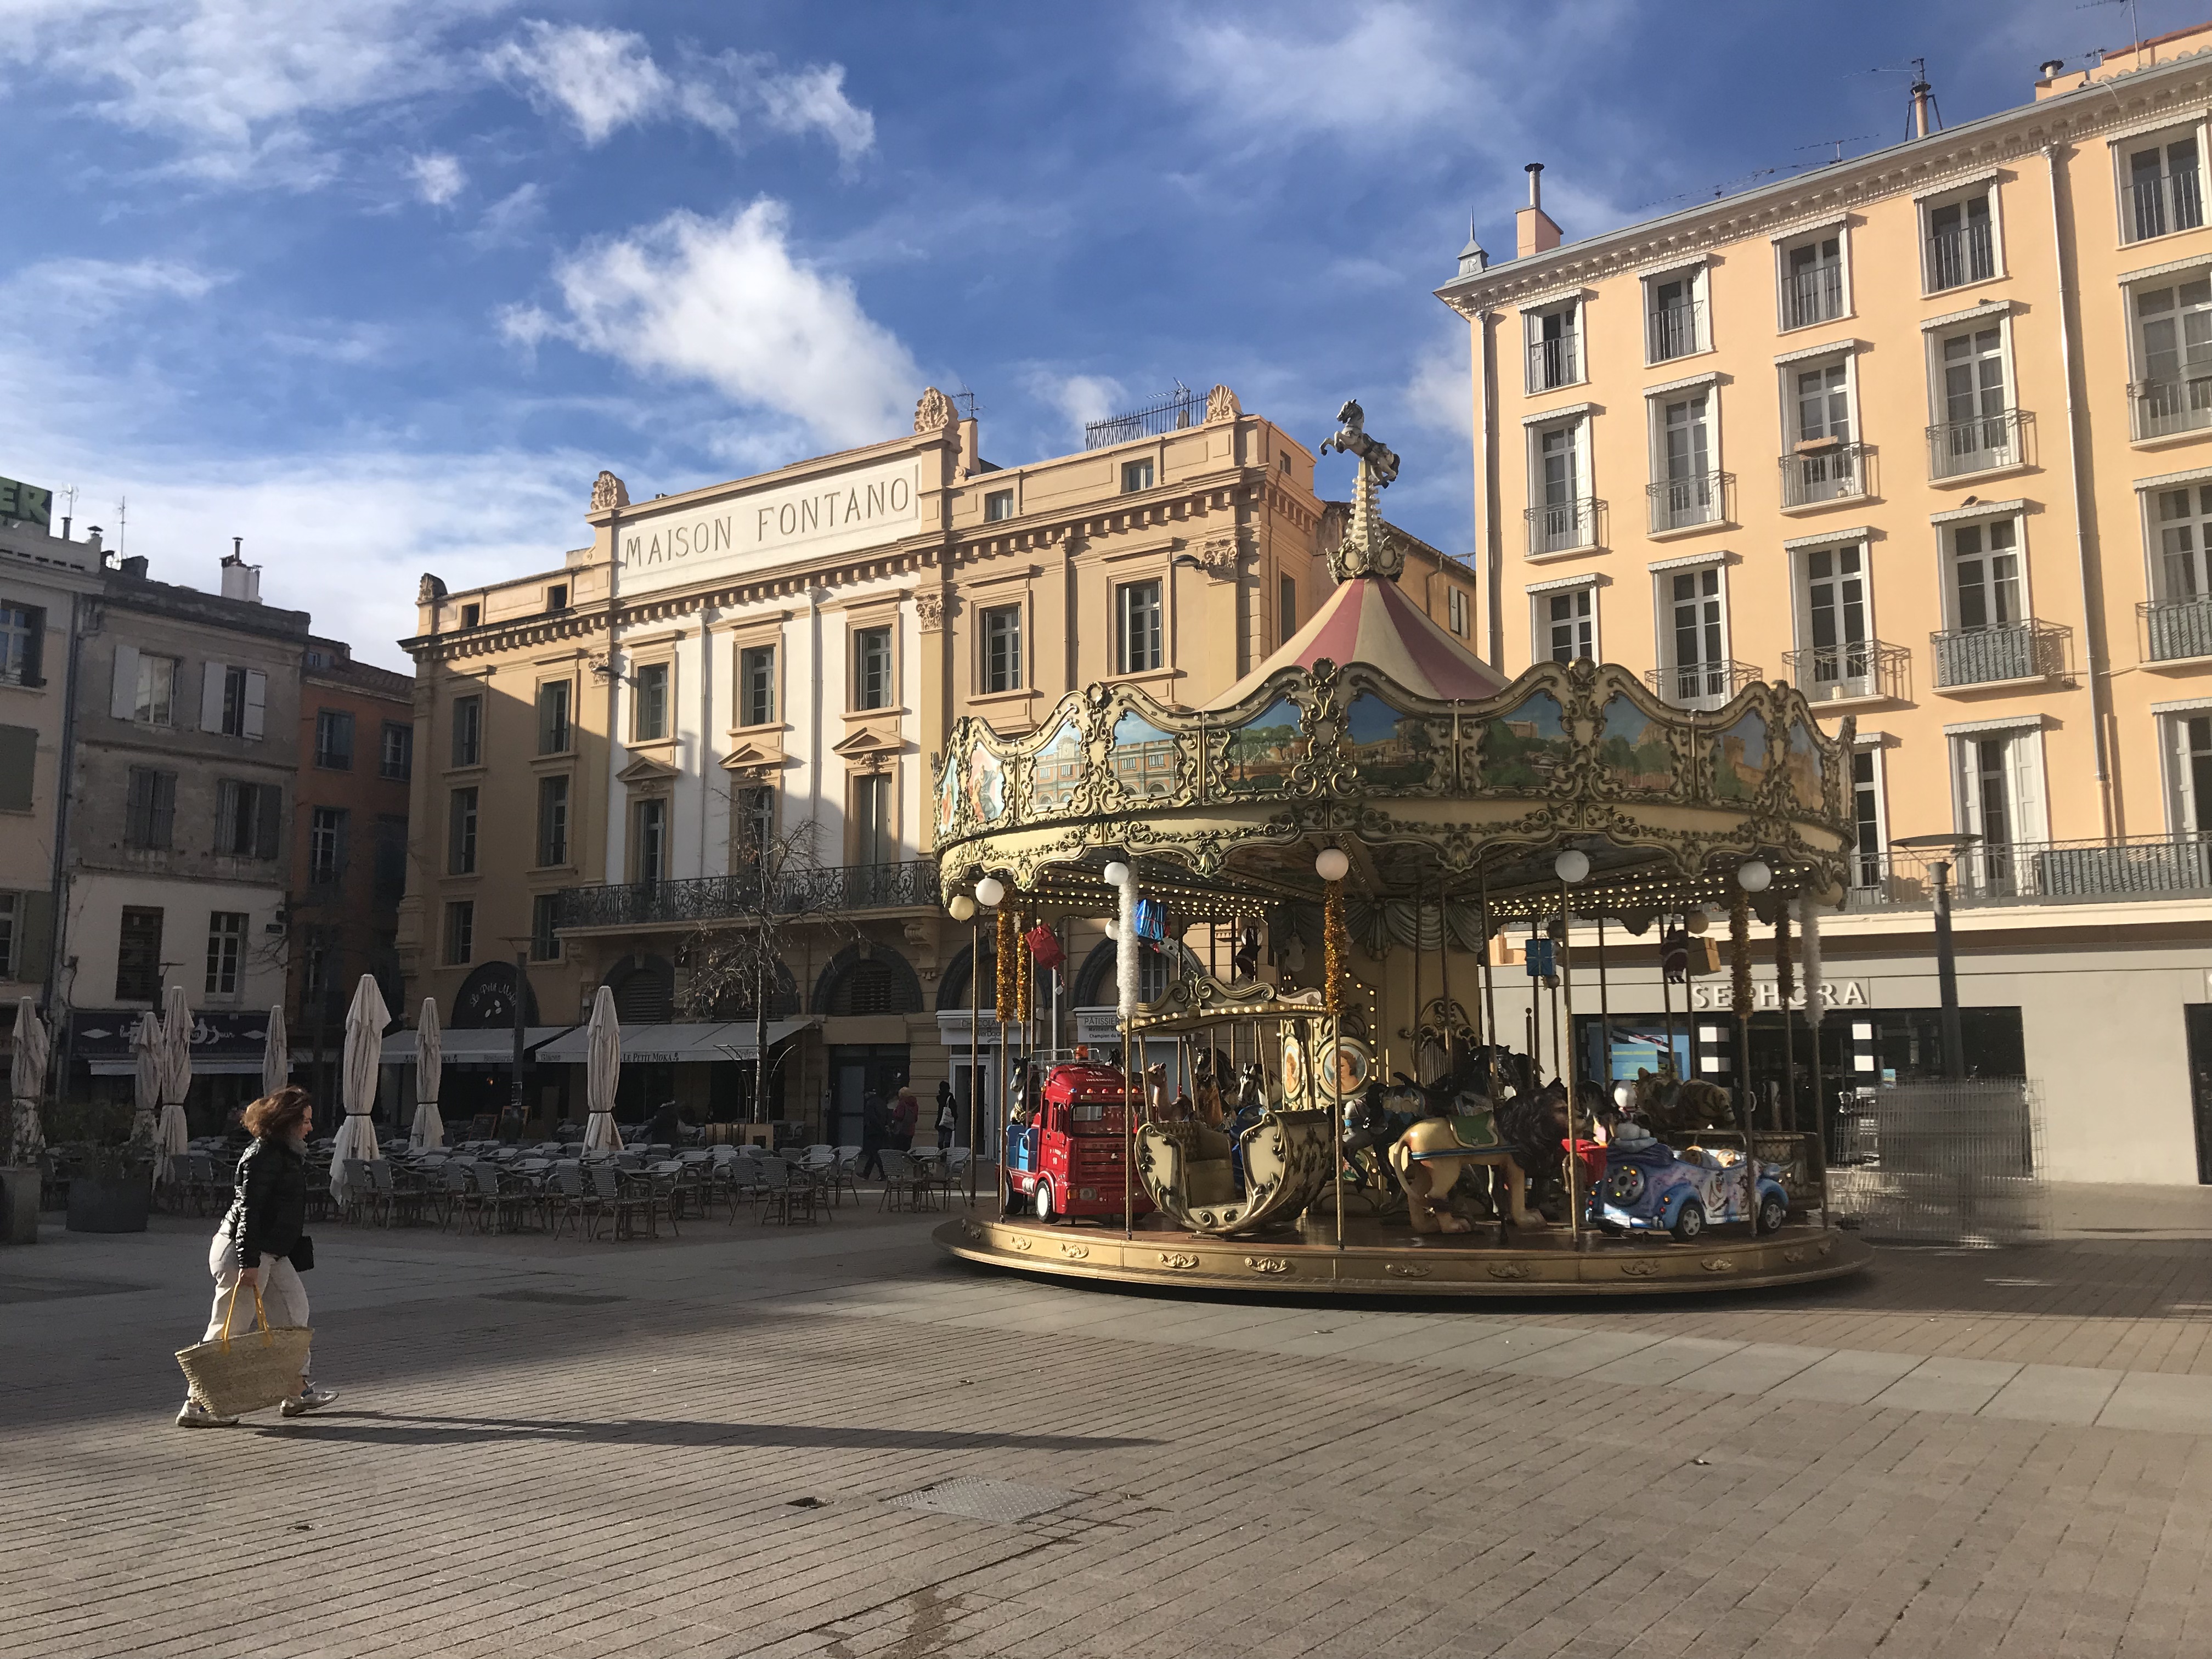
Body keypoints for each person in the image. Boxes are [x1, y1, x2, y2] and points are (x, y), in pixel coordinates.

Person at [177, 1085, 338, 1428]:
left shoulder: (286, 1153)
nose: (311, 1128)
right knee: (229, 1329)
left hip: (271, 1253)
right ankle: (197, 1404)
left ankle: (296, 1390)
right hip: (243, 1251)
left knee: (296, 1313)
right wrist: (248, 1261)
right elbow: (249, 1210)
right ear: (288, 1122)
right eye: (306, 1121)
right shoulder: (262, 1155)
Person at [857, 1087, 888, 1179]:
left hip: (873, 1131)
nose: (864, 1095)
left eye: (866, 1093)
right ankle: (866, 1173)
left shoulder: (870, 1103)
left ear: (869, 1093)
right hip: (880, 1131)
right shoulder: (882, 1102)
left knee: (875, 1154)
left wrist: (870, 1127)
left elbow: (872, 1118)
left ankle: (883, 1174)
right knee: (873, 1153)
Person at [891, 1083, 918, 1152]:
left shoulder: (902, 1103)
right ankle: (906, 1162)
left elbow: (900, 1116)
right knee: (907, 1149)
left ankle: (899, 1162)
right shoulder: (915, 1104)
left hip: (902, 1130)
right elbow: (915, 1118)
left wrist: (894, 1112)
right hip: (911, 1130)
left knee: (899, 1149)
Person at [935, 1080, 957, 1148]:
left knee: (941, 1140)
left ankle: (941, 1155)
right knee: (947, 1140)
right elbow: (954, 1111)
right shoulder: (950, 1098)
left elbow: (940, 1111)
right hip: (948, 1121)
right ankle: (945, 1156)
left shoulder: (940, 1098)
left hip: (941, 1121)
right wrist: (955, 1119)